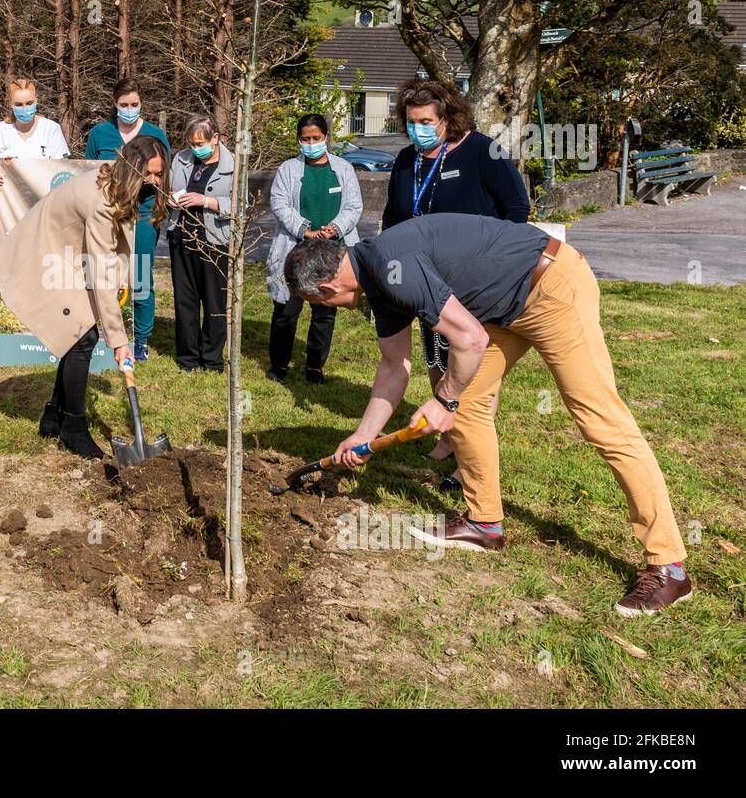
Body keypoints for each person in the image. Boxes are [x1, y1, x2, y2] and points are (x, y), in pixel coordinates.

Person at [284, 214, 691, 617]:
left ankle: (669, 566)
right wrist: (363, 436)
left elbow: (469, 338)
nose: (327, 309)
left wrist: (444, 400)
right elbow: (394, 367)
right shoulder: (377, 282)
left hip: (551, 287)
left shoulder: (395, 267)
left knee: (600, 420)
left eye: (319, 304)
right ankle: (485, 524)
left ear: (327, 286)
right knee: (469, 403)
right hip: (505, 309)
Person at [382, 79, 529, 489]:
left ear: (448, 118)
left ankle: (469, 459)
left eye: (426, 121)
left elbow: (517, 207)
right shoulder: (407, 160)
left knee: (473, 371)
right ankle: (449, 435)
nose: (417, 129)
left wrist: (501, 258)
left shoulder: (482, 150)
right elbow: (393, 218)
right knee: (437, 361)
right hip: (426, 280)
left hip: (476, 278)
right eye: (411, 122)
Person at [0, 135, 167, 459]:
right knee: (84, 337)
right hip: (44, 254)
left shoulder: (119, 183)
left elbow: (111, 254)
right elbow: (99, 270)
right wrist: (119, 341)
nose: (155, 182)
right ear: (132, 168)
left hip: (68, 254)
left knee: (79, 336)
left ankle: (53, 416)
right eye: (150, 174)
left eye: (158, 175)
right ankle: (74, 426)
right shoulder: (102, 200)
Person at [264, 112, 362, 384]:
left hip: (331, 253)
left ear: (326, 137)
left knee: (324, 312)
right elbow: (280, 204)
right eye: (305, 139)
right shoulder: (288, 170)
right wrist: (304, 229)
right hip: (296, 251)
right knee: (286, 310)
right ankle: (279, 363)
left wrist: (335, 228)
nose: (311, 143)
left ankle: (315, 366)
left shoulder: (343, 169)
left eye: (316, 138)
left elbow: (354, 207)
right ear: (298, 140)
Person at [84, 78, 171, 362]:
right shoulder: (100, 134)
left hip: (143, 213)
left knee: (140, 276)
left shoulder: (155, 133)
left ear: (141, 103)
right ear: (115, 104)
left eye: (134, 105)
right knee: (104, 272)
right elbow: (88, 173)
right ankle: (106, 333)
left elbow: (163, 176)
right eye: (124, 105)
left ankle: (141, 339)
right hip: (108, 212)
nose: (129, 110)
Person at [165, 115, 234, 372]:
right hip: (181, 236)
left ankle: (212, 359)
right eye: (192, 143)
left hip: (215, 240)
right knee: (185, 300)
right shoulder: (181, 159)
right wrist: (170, 200)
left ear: (215, 138)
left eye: (201, 142)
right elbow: (169, 188)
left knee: (215, 301)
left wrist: (205, 201)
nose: (196, 148)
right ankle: (187, 358)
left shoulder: (233, 165)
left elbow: (242, 206)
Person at [0, 78, 71, 245]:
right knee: (6, 269)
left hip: (41, 218)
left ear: (36, 100)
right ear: (11, 104)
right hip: (4, 216)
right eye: (19, 104)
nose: (25, 108)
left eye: (29, 103)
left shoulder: (51, 129)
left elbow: (61, 175)